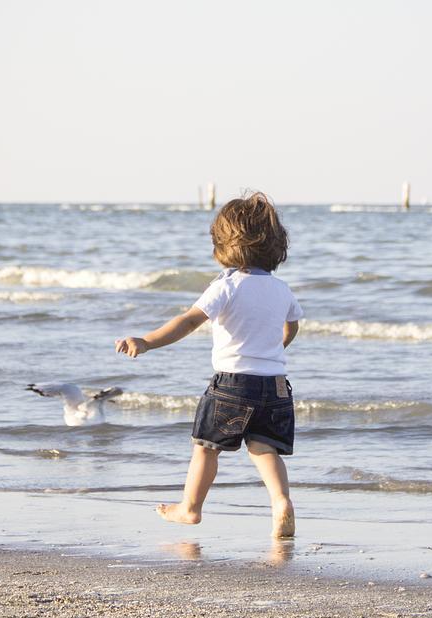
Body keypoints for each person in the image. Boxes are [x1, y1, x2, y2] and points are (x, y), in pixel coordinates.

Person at [115, 192, 303, 538]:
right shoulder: (281, 289)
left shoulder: (226, 287)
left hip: (233, 385)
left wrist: (147, 341)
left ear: (223, 245)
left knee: (205, 447)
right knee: (265, 449)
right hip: (275, 386)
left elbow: (188, 321)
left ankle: (190, 508)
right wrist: (277, 345)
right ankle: (281, 502)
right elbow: (291, 326)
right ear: (276, 246)